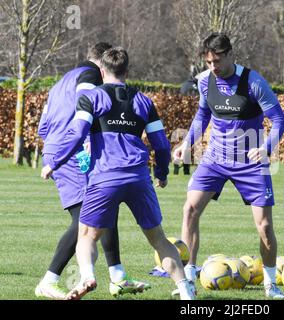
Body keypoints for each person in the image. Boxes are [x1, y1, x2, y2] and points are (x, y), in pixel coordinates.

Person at [41, 47, 196, 300]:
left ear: (101, 71)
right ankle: (186, 292)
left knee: (87, 236)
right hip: (138, 178)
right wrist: (162, 172)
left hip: (104, 178)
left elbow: (77, 133)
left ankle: (88, 277)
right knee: (158, 239)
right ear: (127, 71)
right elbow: (161, 144)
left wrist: (54, 162)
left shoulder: (92, 98)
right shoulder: (144, 101)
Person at [173, 33, 284, 299]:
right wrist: (188, 143)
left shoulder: (253, 82)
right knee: (189, 209)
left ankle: (271, 284)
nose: (214, 67)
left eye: (218, 60)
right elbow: (202, 114)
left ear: (230, 54)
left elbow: (278, 120)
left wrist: (266, 148)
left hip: (250, 162)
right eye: (209, 62)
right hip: (215, 158)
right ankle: (188, 277)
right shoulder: (204, 82)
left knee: (265, 227)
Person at [36, 43, 149, 299]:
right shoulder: (89, 77)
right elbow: (84, 110)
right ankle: (49, 280)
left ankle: (118, 276)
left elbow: (43, 128)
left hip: (60, 148)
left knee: (105, 204)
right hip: (73, 151)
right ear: (101, 65)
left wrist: (53, 153)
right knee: (84, 221)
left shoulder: (61, 81)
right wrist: (78, 150)